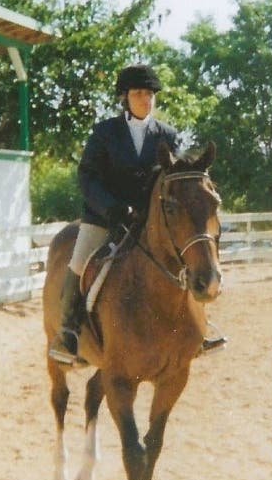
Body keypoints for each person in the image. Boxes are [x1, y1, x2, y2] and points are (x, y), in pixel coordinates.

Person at [49, 63, 226, 364]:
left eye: (150, 94)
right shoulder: (105, 132)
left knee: (187, 259)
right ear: (125, 98)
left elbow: (176, 178)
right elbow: (87, 177)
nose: (146, 99)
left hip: (149, 219)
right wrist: (111, 207)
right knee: (79, 263)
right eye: (139, 93)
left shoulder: (167, 134)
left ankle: (198, 329)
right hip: (105, 217)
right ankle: (68, 333)